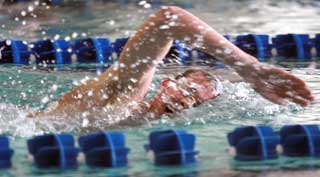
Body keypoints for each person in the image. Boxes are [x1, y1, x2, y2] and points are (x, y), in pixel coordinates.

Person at [30, 6, 314, 119]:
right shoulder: (126, 94)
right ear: (166, 82)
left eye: (195, 102)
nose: (185, 101)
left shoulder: (148, 129)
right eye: (188, 91)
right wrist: (248, 66)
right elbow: (168, 19)